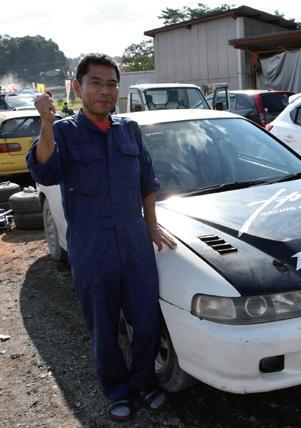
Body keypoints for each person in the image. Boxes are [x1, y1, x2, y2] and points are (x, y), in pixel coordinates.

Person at [27, 53, 177, 422]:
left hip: (134, 238)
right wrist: (46, 123)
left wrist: (151, 223)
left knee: (146, 320)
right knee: (104, 326)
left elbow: (147, 181)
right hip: (92, 244)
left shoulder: (129, 130)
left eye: (111, 84)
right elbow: (45, 172)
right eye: (95, 82)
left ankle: (145, 382)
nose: (104, 90)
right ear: (78, 88)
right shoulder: (64, 131)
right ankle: (117, 390)